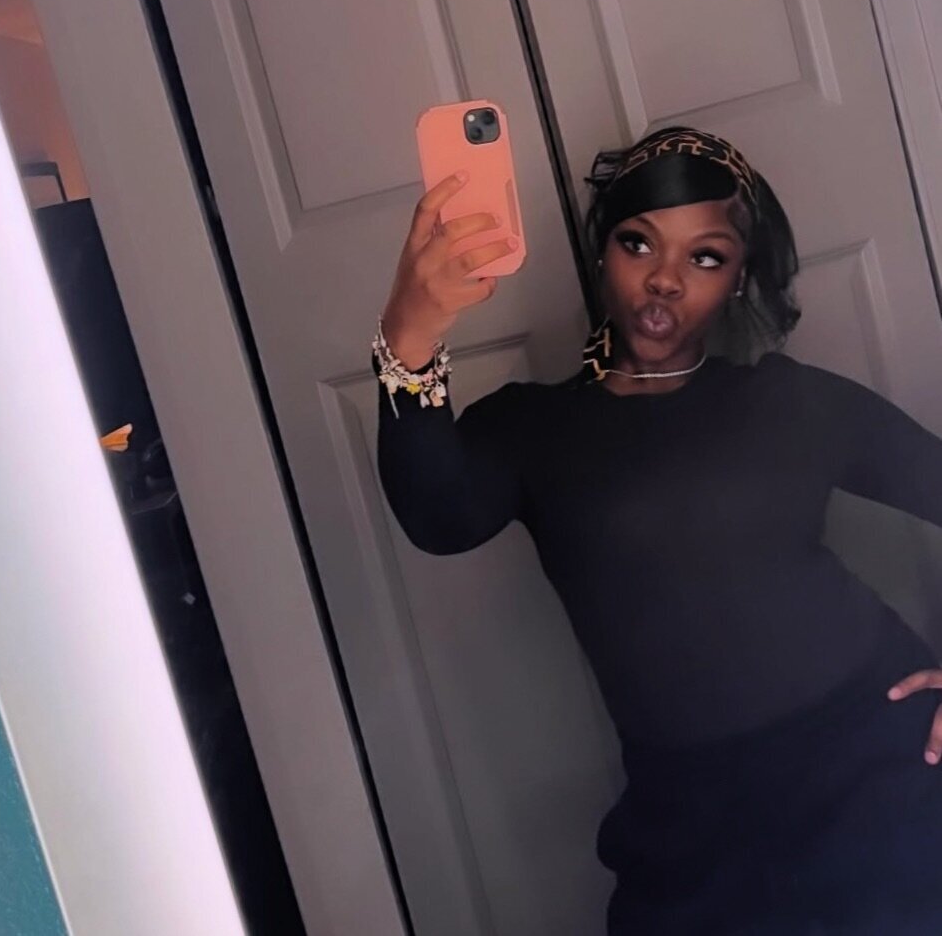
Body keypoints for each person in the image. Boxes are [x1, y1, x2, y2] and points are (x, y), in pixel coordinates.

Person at [371, 126, 942, 935]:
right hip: (689, 829)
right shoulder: (532, 427)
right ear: (602, 252)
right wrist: (408, 335)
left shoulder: (790, 401)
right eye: (637, 242)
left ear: (738, 277)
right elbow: (438, 518)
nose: (665, 278)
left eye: (705, 256)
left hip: (875, 775)